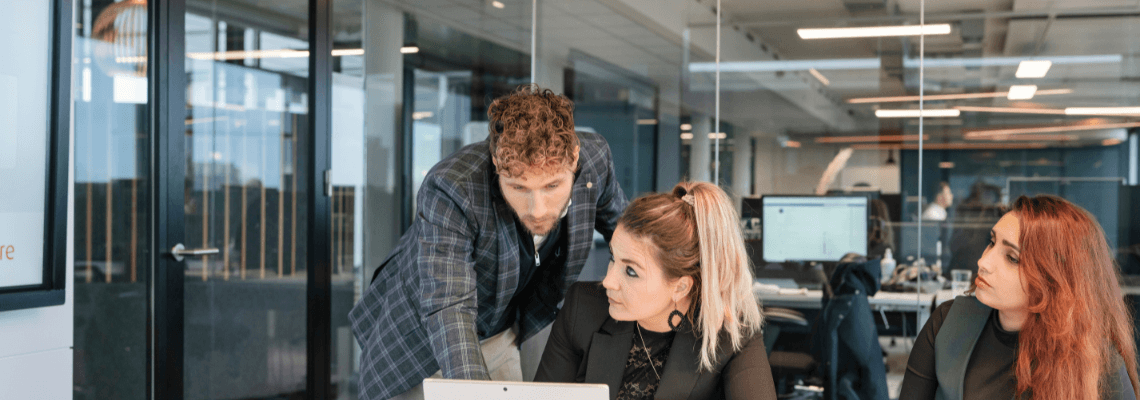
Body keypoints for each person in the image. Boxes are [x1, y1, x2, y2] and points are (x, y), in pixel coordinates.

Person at [348, 84, 628, 400]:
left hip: (499, 331)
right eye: (519, 188)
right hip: (420, 344)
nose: (538, 210)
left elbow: (631, 236)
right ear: (496, 162)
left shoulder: (595, 160)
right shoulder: (452, 187)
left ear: (574, 159)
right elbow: (449, 306)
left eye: (552, 186)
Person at [535, 182, 777, 400]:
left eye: (631, 271)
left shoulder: (729, 334)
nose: (608, 281)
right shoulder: (582, 309)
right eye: (613, 258)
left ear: (680, 287)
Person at [899, 195, 1139, 400]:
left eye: (1012, 258)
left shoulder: (1096, 360)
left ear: (1055, 280)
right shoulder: (949, 322)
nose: (983, 262)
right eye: (991, 242)